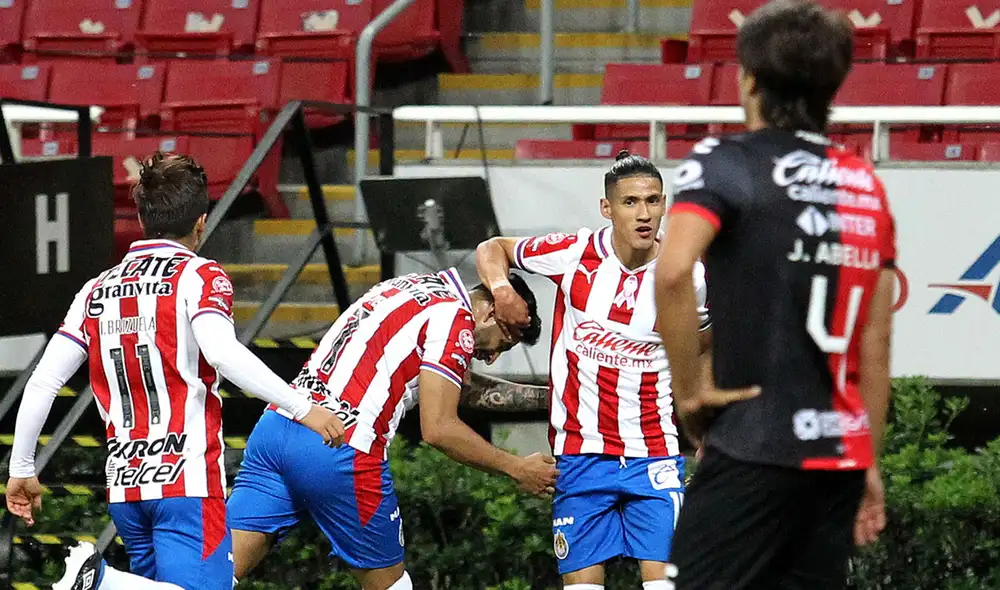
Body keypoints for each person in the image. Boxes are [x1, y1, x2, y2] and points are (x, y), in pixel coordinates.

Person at [5, 153, 345, 590]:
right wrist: (303, 409)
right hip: (186, 480)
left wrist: (22, 466)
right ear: (201, 222)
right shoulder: (199, 275)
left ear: (143, 219)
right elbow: (222, 354)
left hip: (126, 487)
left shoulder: (96, 289)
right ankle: (102, 582)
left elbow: (44, 381)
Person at [653, 2, 896, 588]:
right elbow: (876, 336)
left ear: (750, 81)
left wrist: (690, 391)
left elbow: (670, 271)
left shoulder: (724, 163)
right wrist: (867, 457)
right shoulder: (864, 183)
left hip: (752, 445)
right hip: (837, 456)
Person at [226, 269, 558, 590]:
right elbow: (439, 429)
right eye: (503, 343)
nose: (491, 358)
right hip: (341, 446)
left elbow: (453, 384)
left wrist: (553, 396)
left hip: (278, 428)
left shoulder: (410, 286)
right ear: (488, 311)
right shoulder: (455, 320)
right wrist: (516, 467)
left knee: (218, 572)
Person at [475, 151, 711, 590]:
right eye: (631, 202)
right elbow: (492, 249)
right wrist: (502, 288)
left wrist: (710, 427)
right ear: (607, 208)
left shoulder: (686, 275)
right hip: (581, 456)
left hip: (654, 453)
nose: (644, 214)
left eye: (654, 201)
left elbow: (704, 348)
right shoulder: (575, 253)